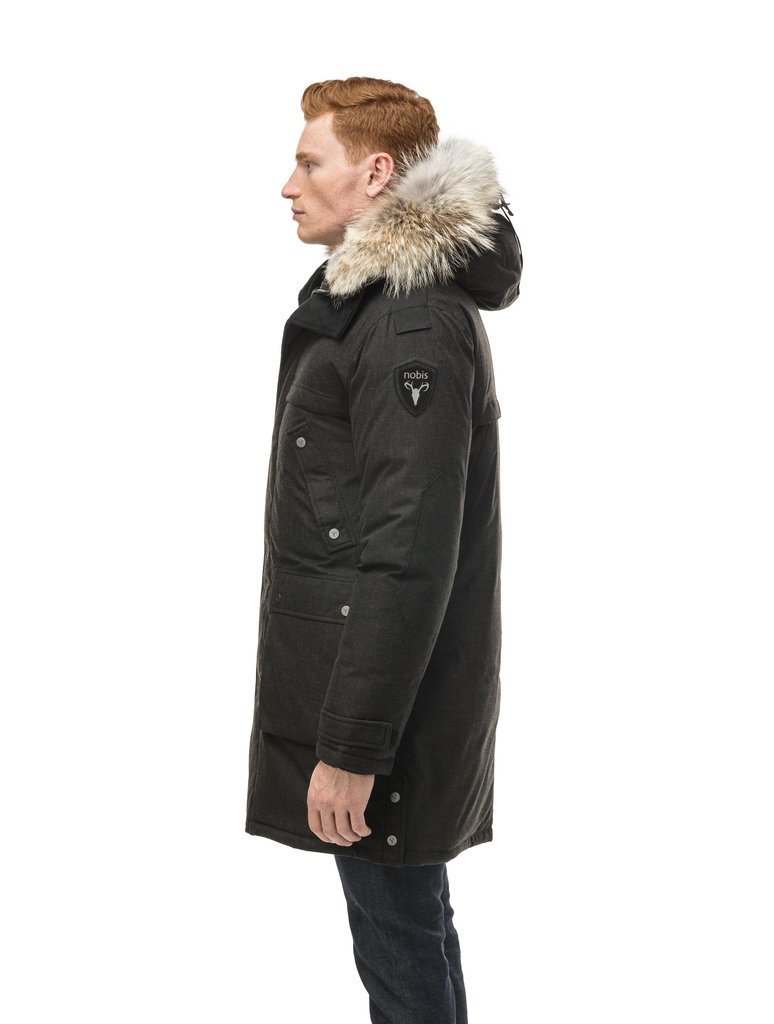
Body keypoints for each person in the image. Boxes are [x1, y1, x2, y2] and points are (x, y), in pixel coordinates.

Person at [245, 76, 522, 1023]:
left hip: (382, 717)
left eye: (308, 162)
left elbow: (408, 554)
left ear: (373, 174)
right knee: (409, 931)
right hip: (380, 696)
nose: (288, 185)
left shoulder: (409, 320)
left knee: (402, 951)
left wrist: (354, 749)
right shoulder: (381, 304)